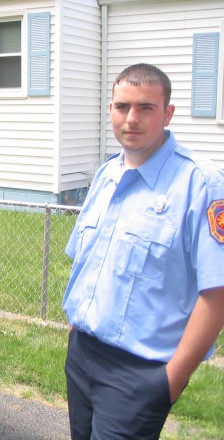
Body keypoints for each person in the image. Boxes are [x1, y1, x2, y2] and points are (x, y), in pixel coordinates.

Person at [62, 63, 224, 439]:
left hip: (139, 374)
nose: (131, 119)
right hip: (83, 355)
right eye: (122, 107)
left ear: (168, 113)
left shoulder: (201, 185)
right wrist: (76, 331)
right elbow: (86, 262)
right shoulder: (106, 175)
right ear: (110, 111)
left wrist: (171, 379)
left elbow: (216, 293)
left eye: (146, 108)